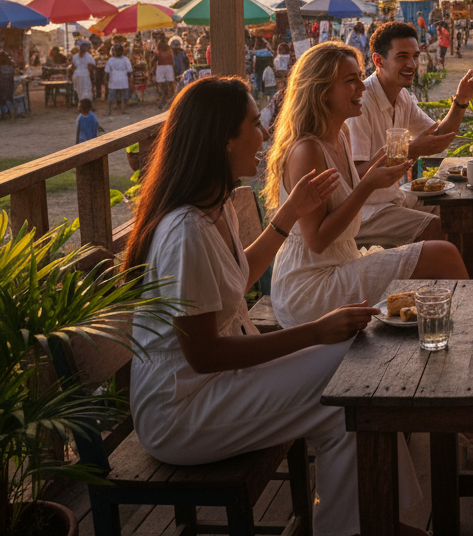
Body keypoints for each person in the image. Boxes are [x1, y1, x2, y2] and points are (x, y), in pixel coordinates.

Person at [124, 76, 427, 536]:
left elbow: (237, 278)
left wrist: (288, 212)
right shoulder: (184, 230)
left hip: (216, 386)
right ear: (224, 139)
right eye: (252, 123)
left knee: (354, 375)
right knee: (348, 388)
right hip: (182, 411)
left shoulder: (214, 206)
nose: (263, 134)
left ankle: (375, 518)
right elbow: (204, 354)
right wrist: (314, 332)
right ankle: (371, 521)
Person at [265, 41, 473, 466]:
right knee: (441, 255)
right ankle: (468, 396)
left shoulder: (339, 135)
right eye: (350, 81)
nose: (359, 88)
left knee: (439, 266)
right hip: (310, 286)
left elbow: (412, 150)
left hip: (340, 264)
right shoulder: (307, 149)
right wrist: (367, 185)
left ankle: (452, 388)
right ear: (322, 89)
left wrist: (385, 166)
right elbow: (316, 240)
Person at [351, 22, 473, 250]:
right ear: (378, 61)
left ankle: (463, 282)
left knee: (459, 211)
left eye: (414, 56)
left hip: (394, 199)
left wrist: (461, 101)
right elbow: (356, 175)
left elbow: (440, 137)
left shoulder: (403, 98)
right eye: (402, 57)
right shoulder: (360, 104)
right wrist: (410, 150)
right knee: (436, 227)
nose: (411, 65)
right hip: (363, 212)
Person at [104, 44, 132, 116]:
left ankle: (109, 110)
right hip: (123, 80)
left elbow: (107, 72)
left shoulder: (110, 60)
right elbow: (129, 71)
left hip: (113, 80)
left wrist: (106, 80)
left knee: (111, 97)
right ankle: (123, 109)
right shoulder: (126, 59)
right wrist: (130, 79)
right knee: (124, 96)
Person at [155, 37, 175, 109]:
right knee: (170, 84)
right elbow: (172, 62)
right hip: (169, 67)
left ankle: (163, 98)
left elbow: (153, 61)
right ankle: (171, 98)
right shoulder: (169, 53)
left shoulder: (158, 54)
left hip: (160, 67)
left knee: (162, 85)